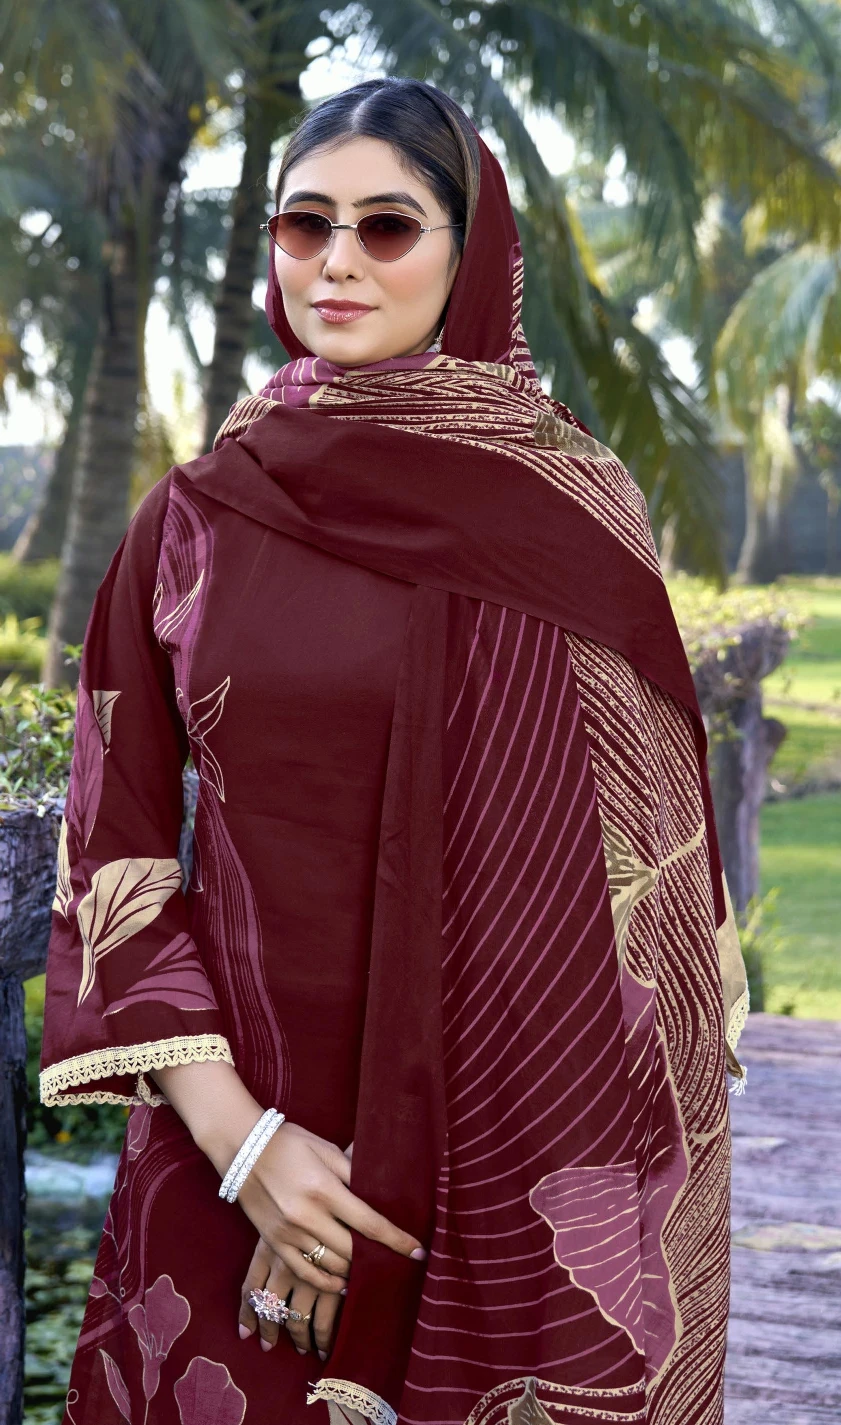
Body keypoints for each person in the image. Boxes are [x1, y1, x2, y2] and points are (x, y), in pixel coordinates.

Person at [40, 76, 748, 1425]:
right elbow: (114, 847)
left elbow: (609, 891)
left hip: (513, 1163)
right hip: (230, 1144)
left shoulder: (566, 514)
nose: (338, 262)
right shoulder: (192, 520)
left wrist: (382, 1188)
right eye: (304, 225)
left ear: (469, 257)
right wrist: (251, 1150)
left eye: (386, 226)